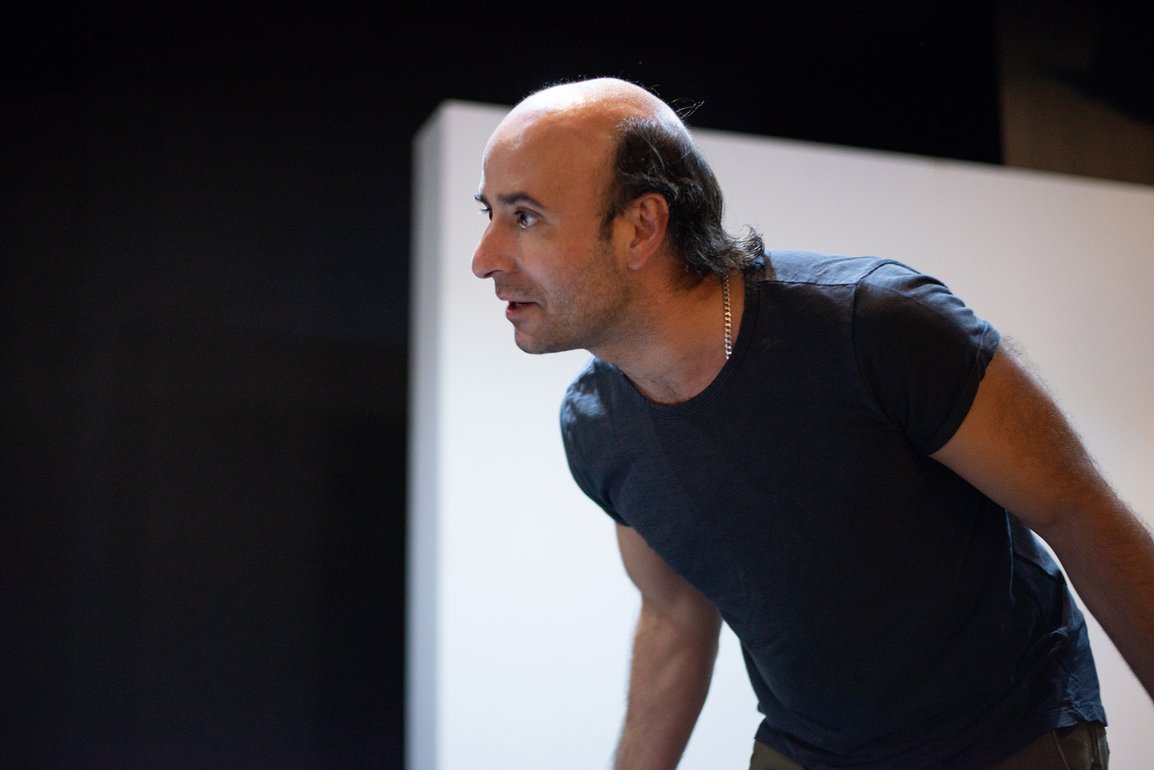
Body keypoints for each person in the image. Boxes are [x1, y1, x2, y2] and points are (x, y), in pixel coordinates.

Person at [470, 76, 1154, 769]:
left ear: (641, 226)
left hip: (1005, 736)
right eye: (488, 212)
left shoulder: (876, 326)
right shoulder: (595, 424)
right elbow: (674, 616)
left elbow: (1078, 511)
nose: (483, 259)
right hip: (808, 747)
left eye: (524, 217)